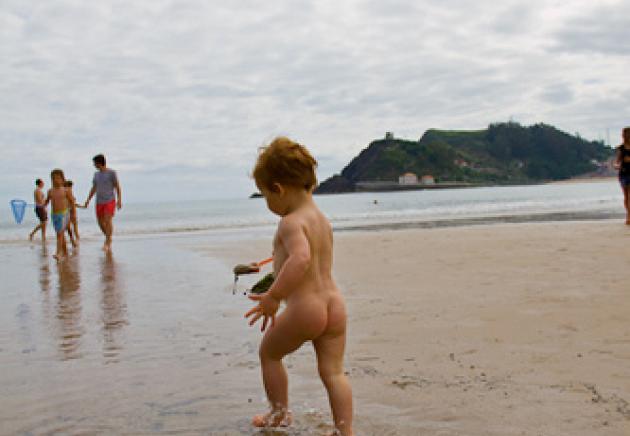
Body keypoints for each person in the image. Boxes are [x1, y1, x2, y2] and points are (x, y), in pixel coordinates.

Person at [244, 137, 353, 435]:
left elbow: (301, 259)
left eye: (265, 195)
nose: (268, 203)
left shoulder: (290, 222)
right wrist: (272, 278)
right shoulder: (321, 219)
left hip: (307, 308)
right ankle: (346, 431)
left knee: (269, 354)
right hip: (334, 305)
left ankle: (278, 415)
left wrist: (274, 298)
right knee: (334, 373)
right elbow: (309, 260)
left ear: (278, 189)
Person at [83, 154, 122, 252]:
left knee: (108, 220)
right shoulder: (96, 175)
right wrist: (88, 199)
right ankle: (108, 237)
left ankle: (107, 241)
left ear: (99, 163)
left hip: (110, 200)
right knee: (100, 223)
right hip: (99, 201)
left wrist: (119, 200)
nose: (94, 165)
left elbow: (117, 186)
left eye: (94, 163)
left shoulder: (112, 173)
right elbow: (94, 188)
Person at [44, 169, 75, 260]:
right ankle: (64, 252)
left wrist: (72, 213)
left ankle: (58, 252)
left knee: (60, 233)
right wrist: (43, 205)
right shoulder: (50, 191)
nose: (55, 180)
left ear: (62, 179)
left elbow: (72, 202)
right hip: (54, 215)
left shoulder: (66, 190)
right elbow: (47, 201)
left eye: (58, 178)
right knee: (59, 233)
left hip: (64, 214)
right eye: (53, 178)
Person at [614, 127, 630, 225]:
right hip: (623, 173)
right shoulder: (621, 148)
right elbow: (617, 161)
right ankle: (628, 215)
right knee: (626, 196)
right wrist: (616, 165)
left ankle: (629, 216)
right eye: (625, 134)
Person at [64, 180, 83, 245]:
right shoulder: (69, 191)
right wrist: (74, 210)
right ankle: (77, 240)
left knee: (68, 227)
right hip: (71, 210)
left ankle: (73, 240)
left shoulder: (65, 191)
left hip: (66, 210)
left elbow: (72, 202)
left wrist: (81, 206)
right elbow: (72, 202)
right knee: (74, 226)